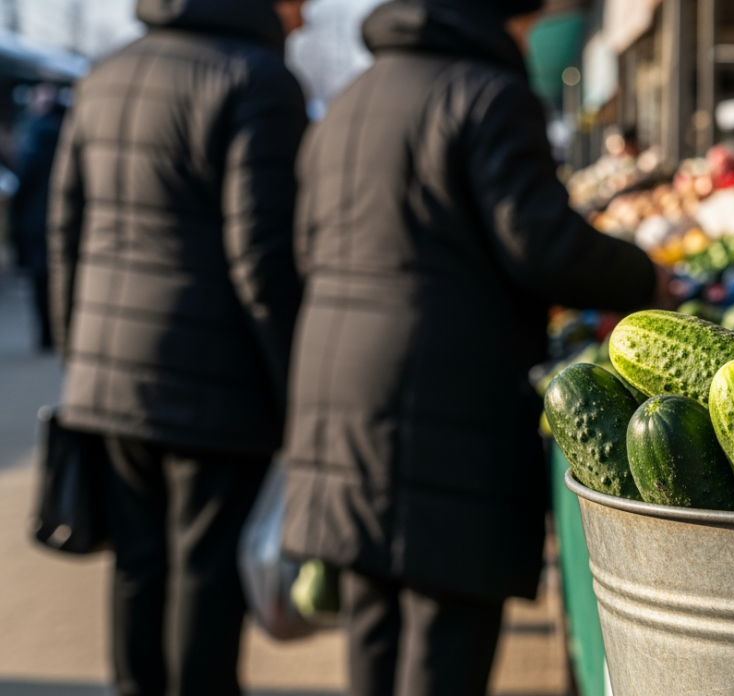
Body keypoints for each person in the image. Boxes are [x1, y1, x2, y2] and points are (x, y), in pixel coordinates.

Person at [278, 0, 669, 694]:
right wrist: (644, 277)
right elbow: (540, 243)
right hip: (443, 394)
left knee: (372, 613)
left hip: (337, 385)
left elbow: (303, 247)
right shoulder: (487, 95)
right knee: (445, 626)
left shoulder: (351, 98)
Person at [47, 1, 309, 694]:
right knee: (204, 573)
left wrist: (80, 360)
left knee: (137, 565)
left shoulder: (103, 75)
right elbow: (262, 258)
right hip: (216, 383)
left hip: (108, 380)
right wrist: (297, 384)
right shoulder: (257, 79)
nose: (306, 16)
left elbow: (64, 230)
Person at [8, 83, 65, 351]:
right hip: (58, 216)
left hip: (36, 219)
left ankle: (47, 334)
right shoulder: (65, 133)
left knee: (41, 279)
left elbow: (24, 181)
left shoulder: (35, 138)